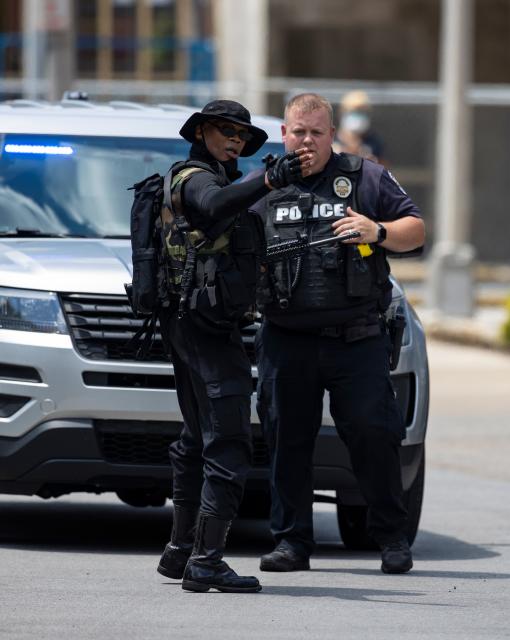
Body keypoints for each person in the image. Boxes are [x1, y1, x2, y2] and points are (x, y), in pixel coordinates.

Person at [253, 93, 425, 575]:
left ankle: (391, 538)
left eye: (317, 132)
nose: (306, 140)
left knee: (374, 433)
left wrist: (378, 231)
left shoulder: (365, 176)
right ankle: (291, 543)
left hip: (356, 335)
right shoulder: (265, 186)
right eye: (298, 132)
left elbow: (417, 229)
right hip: (286, 337)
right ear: (283, 134)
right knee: (286, 439)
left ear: (332, 135)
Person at [155, 99, 311, 593]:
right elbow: (213, 205)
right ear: (201, 132)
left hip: (198, 325)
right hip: (202, 328)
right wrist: (269, 180)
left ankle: (181, 552)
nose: (236, 141)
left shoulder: (222, 180)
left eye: (242, 135)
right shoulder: (194, 177)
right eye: (226, 131)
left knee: (197, 440)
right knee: (230, 444)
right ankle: (207, 561)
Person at [332, 90, 384, 163]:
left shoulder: (374, 143)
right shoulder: (330, 141)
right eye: (353, 111)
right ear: (342, 112)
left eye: (362, 111)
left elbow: (384, 169)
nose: (358, 115)